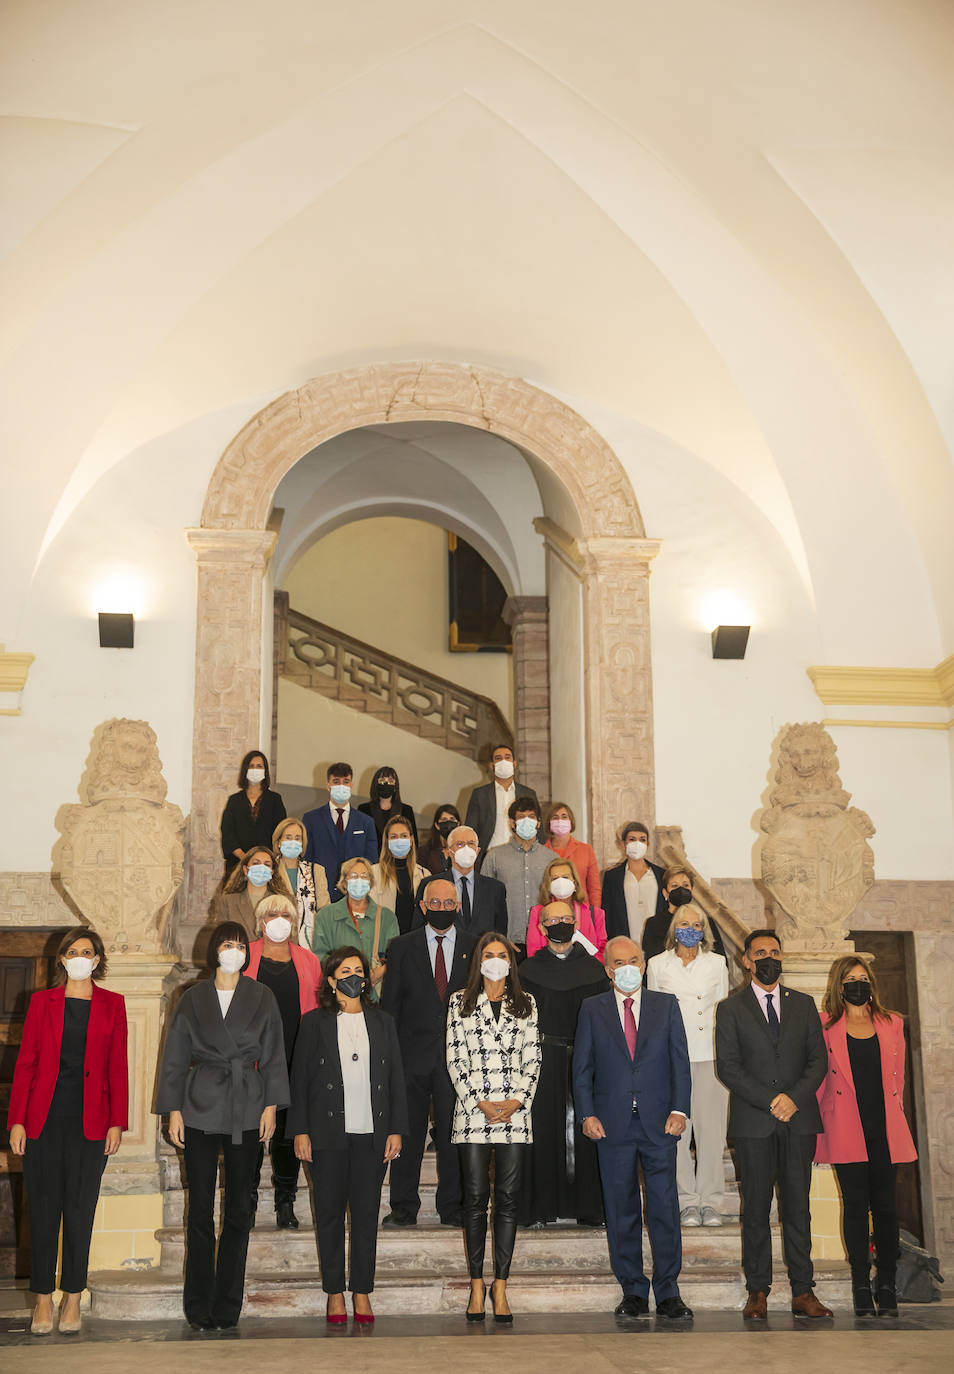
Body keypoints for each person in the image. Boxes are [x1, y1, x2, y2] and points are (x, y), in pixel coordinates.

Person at [155, 922, 288, 1330]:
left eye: (238, 945)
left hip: (247, 1105)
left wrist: (270, 1106)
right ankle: (198, 1302)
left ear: (248, 953)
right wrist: (172, 1109)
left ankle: (227, 1301)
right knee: (199, 1208)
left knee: (238, 1208)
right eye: (226, 944)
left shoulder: (262, 996)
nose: (232, 950)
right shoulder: (192, 998)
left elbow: (274, 1053)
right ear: (214, 950)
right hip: (199, 1104)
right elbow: (175, 1057)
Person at [8, 927, 127, 1336]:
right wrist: (18, 1120)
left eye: (87, 951)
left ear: (97, 960)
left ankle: (73, 1296)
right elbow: (25, 1065)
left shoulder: (113, 1005)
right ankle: (42, 1298)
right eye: (72, 951)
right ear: (62, 959)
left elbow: (118, 1067)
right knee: (42, 1211)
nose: (79, 956)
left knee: (80, 1211)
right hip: (43, 1120)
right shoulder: (41, 1003)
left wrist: (117, 1121)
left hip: (91, 1123)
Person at [573, 935, 693, 1321]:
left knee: (663, 1206)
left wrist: (680, 1109)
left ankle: (669, 1290)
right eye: (618, 963)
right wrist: (587, 1113)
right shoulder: (592, 1009)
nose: (628, 968)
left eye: (634, 960)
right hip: (612, 1125)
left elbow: (680, 1061)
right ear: (608, 970)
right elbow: (583, 1067)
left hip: (660, 1122)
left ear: (643, 964)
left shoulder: (666, 1005)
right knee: (621, 1207)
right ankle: (633, 1290)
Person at [714, 928, 831, 1320]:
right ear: (746, 960)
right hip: (755, 1122)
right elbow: (728, 1067)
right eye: (760, 952)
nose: (769, 958)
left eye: (775, 952)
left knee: (798, 1208)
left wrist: (792, 1099)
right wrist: (770, 1101)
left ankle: (803, 1291)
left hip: (798, 1121)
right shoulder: (730, 1008)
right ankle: (758, 1291)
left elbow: (818, 1061)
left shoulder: (804, 1004)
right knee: (757, 1209)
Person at [289, 946, 407, 1325]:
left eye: (359, 970)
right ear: (331, 979)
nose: (355, 976)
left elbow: (396, 1081)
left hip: (372, 1133)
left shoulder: (384, 1021)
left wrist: (397, 1130)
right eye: (346, 970)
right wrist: (301, 1130)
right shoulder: (313, 1023)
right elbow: (300, 1081)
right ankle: (334, 1293)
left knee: (366, 1215)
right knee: (328, 1215)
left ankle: (362, 1291)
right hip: (327, 1135)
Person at [446, 930, 541, 1324]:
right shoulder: (460, 1002)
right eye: (489, 954)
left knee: (507, 1201)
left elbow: (533, 1057)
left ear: (511, 961)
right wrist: (480, 1101)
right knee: (473, 1199)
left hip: (515, 1115)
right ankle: (475, 1284)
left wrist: (517, 1100)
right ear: (478, 960)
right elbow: (454, 1057)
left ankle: (501, 1285)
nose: (496, 959)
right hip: (473, 1114)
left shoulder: (527, 1003)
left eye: (502, 954)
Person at [816, 954, 916, 1318]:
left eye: (863, 978)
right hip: (845, 1126)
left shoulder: (892, 1023)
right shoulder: (823, 1024)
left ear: (871, 983)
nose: (858, 984)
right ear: (839, 987)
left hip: (885, 1128)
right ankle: (860, 1283)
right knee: (855, 1207)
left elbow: (898, 1078)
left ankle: (886, 1284)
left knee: (886, 1208)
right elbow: (819, 1080)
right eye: (850, 979)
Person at [380, 876, 476, 1228]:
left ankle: (452, 1207)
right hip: (409, 1057)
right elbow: (390, 1006)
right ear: (422, 907)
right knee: (407, 1134)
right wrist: (389, 1059)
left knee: (453, 1135)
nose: (441, 909)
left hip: (458, 1060)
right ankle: (403, 1207)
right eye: (434, 904)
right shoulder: (401, 947)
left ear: (458, 906)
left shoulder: (473, 945)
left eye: (448, 903)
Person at [518, 902, 607, 1228]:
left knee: (586, 1133)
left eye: (567, 919)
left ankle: (589, 1207)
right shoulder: (527, 970)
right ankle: (540, 1207)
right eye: (553, 920)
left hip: (586, 1060)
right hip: (542, 1060)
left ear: (577, 923)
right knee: (541, 1132)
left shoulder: (594, 970)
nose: (560, 925)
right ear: (541, 928)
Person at [244, 893, 323, 1229]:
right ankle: (245, 1200)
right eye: (272, 914)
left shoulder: (308, 960)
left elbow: (317, 1009)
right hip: (250, 1058)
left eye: (286, 915)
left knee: (288, 1135)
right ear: (261, 921)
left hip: (294, 1055)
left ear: (295, 922)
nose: (279, 920)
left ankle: (285, 1200)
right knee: (248, 1132)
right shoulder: (245, 955)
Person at [646, 905, 729, 1226]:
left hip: (709, 1054)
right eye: (684, 923)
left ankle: (711, 1201)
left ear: (704, 929)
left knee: (711, 1132)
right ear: (673, 928)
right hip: (671, 1058)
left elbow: (722, 1011)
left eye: (697, 924)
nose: (690, 929)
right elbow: (653, 1015)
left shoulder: (717, 963)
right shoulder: (656, 964)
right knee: (676, 1133)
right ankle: (684, 1201)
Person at [307, 855, 399, 999]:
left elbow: (395, 957)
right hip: (337, 995)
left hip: (374, 995)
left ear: (371, 882)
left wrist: (377, 973)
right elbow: (320, 956)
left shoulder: (387, 918)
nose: (359, 880)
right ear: (344, 882)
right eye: (354, 876)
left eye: (364, 876)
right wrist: (345, 976)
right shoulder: (325, 916)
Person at [481, 799, 552, 956]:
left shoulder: (552, 858)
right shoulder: (494, 856)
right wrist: (497, 937)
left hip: (543, 941)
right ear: (512, 823)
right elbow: (484, 902)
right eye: (521, 817)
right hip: (507, 941)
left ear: (538, 823)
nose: (527, 821)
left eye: (532, 817)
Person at [413, 824, 508, 937]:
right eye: (459, 844)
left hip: (482, 951)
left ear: (477, 851)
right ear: (449, 852)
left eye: (471, 844)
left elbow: (500, 933)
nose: (466, 848)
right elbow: (417, 929)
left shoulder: (495, 888)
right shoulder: (430, 884)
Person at [302, 762, 378, 885]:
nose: (341, 786)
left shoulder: (366, 822)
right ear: (328, 785)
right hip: (321, 889)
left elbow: (371, 862)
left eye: (346, 782)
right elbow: (307, 859)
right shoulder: (311, 819)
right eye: (336, 782)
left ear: (351, 785)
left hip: (355, 889)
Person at [600, 820, 669, 945]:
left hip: (656, 942)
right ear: (622, 844)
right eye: (632, 839)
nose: (637, 843)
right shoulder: (612, 877)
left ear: (648, 844)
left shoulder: (661, 874)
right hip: (623, 943)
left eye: (642, 839)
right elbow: (607, 914)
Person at [641, 863, 726, 963]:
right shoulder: (654, 924)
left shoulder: (705, 921)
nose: (681, 890)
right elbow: (649, 962)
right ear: (665, 893)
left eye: (685, 885)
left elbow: (719, 958)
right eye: (674, 886)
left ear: (691, 890)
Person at [464, 743, 540, 854]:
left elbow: (539, 829)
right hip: (490, 854)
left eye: (507, 757)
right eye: (498, 758)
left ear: (514, 764)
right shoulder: (480, 795)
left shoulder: (528, 793)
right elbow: (470, 829)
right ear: (492, 765)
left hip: (522, 854)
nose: (503, 761)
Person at [526, 857, 607, 958]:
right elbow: (533, 951)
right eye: (555, 878)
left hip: (586, 970)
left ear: (574, 881)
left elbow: (603, 951)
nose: (560, 882)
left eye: (565, 877)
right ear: (548, 885)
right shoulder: (537, 912)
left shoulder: (595, 914)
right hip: (549, 970)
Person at [220, 750, 286, 875]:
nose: (255, 769)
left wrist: (263, 860)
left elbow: (280, 833)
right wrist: (245, 858)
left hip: (266, 866)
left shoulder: (275, 800)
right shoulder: (234, 801)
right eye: (251, 766)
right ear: (245, 770)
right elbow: (228, 834)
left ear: (265, 771)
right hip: (237, 865)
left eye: (259, 766)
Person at [272, 816, 330, 949]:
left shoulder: (316, 870)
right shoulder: (269, 870)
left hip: (309, 945)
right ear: (279, 842)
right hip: (275, 941)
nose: (293, 842)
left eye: (297, 838)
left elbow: (325, 911)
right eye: (288, 837)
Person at [212, 845, 294, 935]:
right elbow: (221, 939)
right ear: (245, 870)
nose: (261, 868)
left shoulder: (287, 902)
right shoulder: (227, 902)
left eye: (267, 864)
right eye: (256, 863)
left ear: (272, 872)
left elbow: (291, 941)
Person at [370, 815, 429, 935]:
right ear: (386, 841)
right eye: (393, 837)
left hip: (415, 940)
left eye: (403, 836)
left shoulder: (424, 874)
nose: (399, 840)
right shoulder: (373, 873)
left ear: (411, 839)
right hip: (384, 939)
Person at [543, 802, 601, 908]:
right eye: (555, 817)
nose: (560, 821)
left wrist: (595, 914)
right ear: (549, 823)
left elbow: (594, 887)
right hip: (551, 910)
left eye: (564, 817)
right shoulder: (542, 852)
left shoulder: (586, 850)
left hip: (582, 909)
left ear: (571, 821)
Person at [359, 764, 419, 845]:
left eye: (390, 781)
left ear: (395, 786)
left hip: (399, 855)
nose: (386, 784)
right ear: (376, 784)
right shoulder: (364, 809)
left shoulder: (406, 810)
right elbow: (360, 840)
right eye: (382, 780)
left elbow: (414, 840)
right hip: (372, 856)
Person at [417, 803, 459, 876]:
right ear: (437, 825)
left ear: (458, 824)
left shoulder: (466, 850)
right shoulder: (424, 852)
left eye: (452, 819)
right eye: (444, 819)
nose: (448, 824)